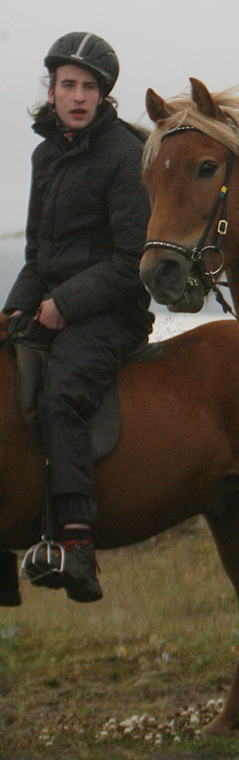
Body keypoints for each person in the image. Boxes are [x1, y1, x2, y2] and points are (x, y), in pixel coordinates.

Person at [5, 32, 153, 603]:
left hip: (114, 312)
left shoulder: (123, 154)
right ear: (52, 89)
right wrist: (17, 308)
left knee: (61, 392)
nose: (78, 95)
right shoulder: (46, 155)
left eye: (89, 87)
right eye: (68, 84)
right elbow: (38, 254)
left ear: (103, 96)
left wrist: (65, 304)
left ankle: (76, 545)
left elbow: (130, 258)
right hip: (52, 301)